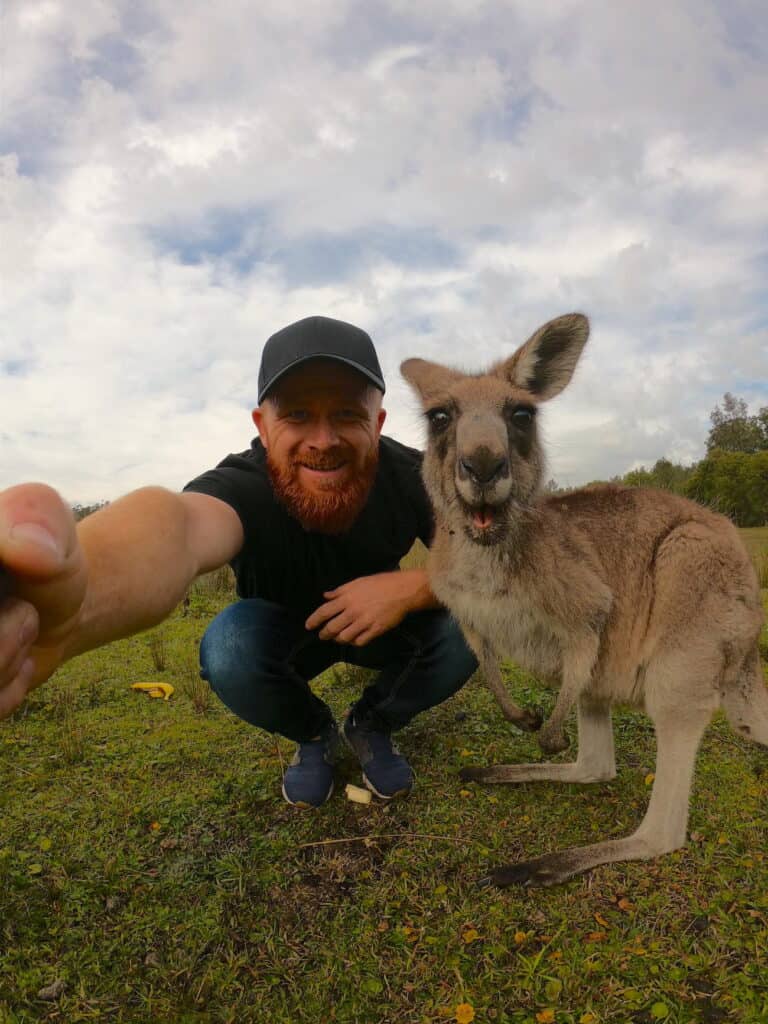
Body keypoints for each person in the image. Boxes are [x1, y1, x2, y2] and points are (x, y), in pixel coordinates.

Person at [0, 316, 477, 807]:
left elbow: (485, 557)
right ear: (262, 428)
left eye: (347, 415)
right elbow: (181, 528)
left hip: (380, 627)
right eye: (296, 414)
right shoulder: (242, 484)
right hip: (283, 638)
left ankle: (371, 723)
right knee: (227, 647)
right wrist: (60, 603)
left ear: (376, 423)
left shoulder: (418, 476)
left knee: (468, 627)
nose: (323, 439)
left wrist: (411, 587)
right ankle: (315, 734)